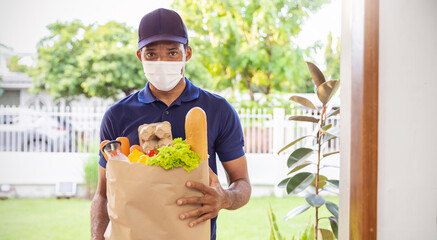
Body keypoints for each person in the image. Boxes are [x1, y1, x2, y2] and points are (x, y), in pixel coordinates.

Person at [90, 8, 251, 240]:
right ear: (140, 56)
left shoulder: (218, 110)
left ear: (187, 53)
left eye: (172, 53)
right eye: (152, 54)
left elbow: (242, 183)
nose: (161, 61)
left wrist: (226, 198)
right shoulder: (117, 115)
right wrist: (97, 237)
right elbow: (103, 195)